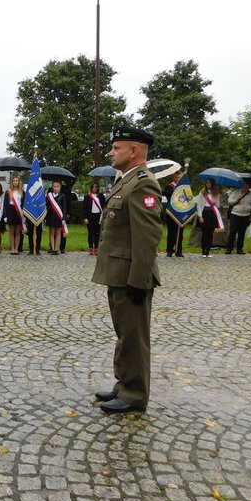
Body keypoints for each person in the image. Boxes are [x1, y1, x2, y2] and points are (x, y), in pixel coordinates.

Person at [92, 127, 163, 414]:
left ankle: (135, 395)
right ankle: (124, 385)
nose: (111, 152)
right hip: (119, 273)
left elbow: (147, 237)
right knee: (125, 334)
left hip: (132, 276)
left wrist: (139, 279)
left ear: (134, 151)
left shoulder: (143, 184)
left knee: (134, 336)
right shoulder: (127, 181)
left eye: (116, 147)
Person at [225, 182, 251, 255]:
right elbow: (229, 201)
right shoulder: (235, 192)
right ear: (241, 186)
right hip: (235, 214)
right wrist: (236, 200)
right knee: (233, 232)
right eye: (245, 186)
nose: (246, 188)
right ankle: (229, 248)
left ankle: (239, 249)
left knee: (242, 233)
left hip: (246, 215)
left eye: (248, 186)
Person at [196, 178, 222, 258]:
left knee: (211, 233)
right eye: (207, 182)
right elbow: (199, 205)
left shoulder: (215, 193)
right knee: (205, 233)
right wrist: (200, 216)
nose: (208, 184)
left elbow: (217, 205)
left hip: (213, 213)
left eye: (210, 183)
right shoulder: (202, 192)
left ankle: (208, 251)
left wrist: (216, 202)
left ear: (212, 183)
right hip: (205, 213)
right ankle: (204, 251)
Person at [162, 171, 185, 257]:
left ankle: (178, 250)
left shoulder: (184, 187)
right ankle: (169, 250)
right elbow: (167, 194)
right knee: (171, 232)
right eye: (176, 177)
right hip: (171, 212)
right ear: (174, 178)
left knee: (180, 232)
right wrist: (176, 190)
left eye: (179, 178)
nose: (178, 179)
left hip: (181, 212)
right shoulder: (169, 186)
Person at [83, 182, 106, 255]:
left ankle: (96, 248)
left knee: (97, 233)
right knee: (90, 233)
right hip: (90, 216)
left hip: (98, 216)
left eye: (96, 187)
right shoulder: (87, 196)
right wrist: (85, 217)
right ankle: (90, 248)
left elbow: (104, 206)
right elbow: (84, 208)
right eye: (93, 187)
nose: (95, 188)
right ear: (91, 188)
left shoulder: (101, 196)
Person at [4, 176, 25, 255]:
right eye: (14, 181)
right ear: (12, 182)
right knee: (11, 232)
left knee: (18, 232)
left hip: (19, 212)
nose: (15, 182)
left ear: (19, 182)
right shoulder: (8, 192)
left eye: (17, 181)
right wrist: (5, 216)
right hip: (11, 211)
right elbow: (5, 204)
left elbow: (24, 204)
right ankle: (12, 249)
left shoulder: (22, 192)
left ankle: (16, 249)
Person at [45, 181, 67, 255]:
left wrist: (63, 218)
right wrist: (45, 217)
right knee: (51, 233)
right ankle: (53, 248)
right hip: (51, 216)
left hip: (59, 216)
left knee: (58, 233)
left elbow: (64, 208)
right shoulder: (49, 196)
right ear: (52, 187)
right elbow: (46, 207)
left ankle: (57, 249)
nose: (56, 188)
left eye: (58, 186)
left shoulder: (63, 196)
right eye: (55, 186)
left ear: (60, 188)